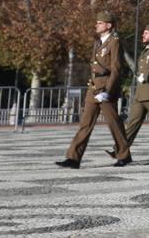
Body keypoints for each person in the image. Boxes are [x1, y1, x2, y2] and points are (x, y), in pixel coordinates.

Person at [56, 13, 130, 169]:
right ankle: (73, 158)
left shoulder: (114, 42)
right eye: (97, 22)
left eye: (100, 23)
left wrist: (108, 91)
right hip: (94, 86)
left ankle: (124, 155)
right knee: (85, 123)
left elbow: (116, 69)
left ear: (109, 25)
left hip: (105, 86)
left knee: (113, 123)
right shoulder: (97, 43)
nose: (96, 25)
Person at [116, 23, 149, 161]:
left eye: (146, 33)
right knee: (132, 123)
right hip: (141, 94)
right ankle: (121, 150)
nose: (143, 35)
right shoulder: (145, 51)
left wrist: (147, 77)